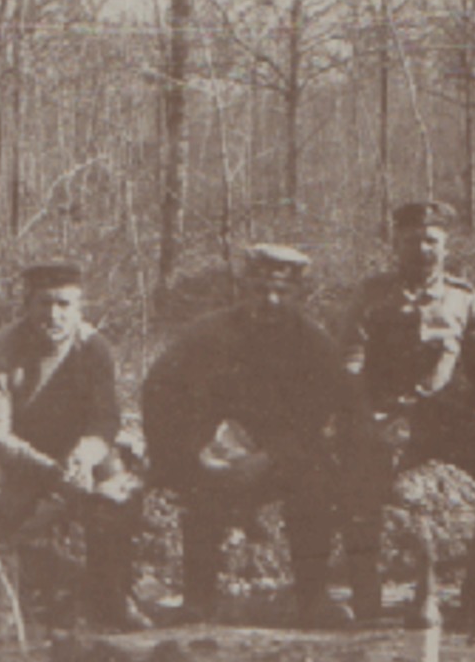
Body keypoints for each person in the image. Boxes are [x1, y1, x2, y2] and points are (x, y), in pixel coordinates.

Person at [142, 245, 358, 628]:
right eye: (259, 290)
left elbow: (323, 416)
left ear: (297, 295)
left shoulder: (313, 343)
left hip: (283, 457)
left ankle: (312, 597)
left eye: (281, 291)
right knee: (201, 493)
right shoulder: (208, 333)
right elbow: (159, 390)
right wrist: (193, 451)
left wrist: (272, 455)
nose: (269, 300)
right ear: (244, 289)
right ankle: (198, 600)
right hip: (214, 453)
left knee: (314, 486)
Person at [0, 262, 151, 641]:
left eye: (64, 304)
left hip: (73, 452)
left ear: (79, 307)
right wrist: (47, 469)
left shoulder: (94, 348)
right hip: (12, 451)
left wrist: (82, 457)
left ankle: (111, 594)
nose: (54, 315)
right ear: (27, 305)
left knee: (117, 487)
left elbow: (105, 421)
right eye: (44, 303)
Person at [339, 201, 475, 625]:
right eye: (413, 240)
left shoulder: (463, 297)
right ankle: (366, 595)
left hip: (446, 419)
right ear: (396, 244)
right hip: (385, 417)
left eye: (432, 241)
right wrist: (364, 415)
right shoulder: (372, 295)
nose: (423, 249)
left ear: (446, 246)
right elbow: (351, 358)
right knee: (361, 486)